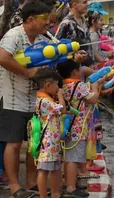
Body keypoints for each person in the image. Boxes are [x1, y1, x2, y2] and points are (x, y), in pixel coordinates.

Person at [0, 0, 51, 198]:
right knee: (13, 143)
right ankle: (14, 186)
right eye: (44, 19)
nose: (48, 23)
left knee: (33, 143)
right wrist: (27, 73)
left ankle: (31, 182)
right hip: (12, 98)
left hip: (34, 99)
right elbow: (3, 58)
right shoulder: (14, 35)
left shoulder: (42, 39)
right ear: (30, 19)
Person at [56, 59, 103, 197]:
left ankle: (71, 183)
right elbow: (93, 99)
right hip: (78, 127)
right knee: (73, 158)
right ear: (74, 72)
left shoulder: (63, 85)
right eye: (80, 69)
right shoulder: (79, 85)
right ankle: (71, 187)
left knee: (70, 157)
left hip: (67, 125)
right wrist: (94, 86)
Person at [32, 68, 66, 198]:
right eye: (56, 84)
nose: (58, 87)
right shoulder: (45, 101)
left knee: (56, 168)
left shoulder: (44, 99)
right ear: (47, 85)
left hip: (53, 141)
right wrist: (61, 96)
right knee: (44, 170)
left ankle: (56, 193)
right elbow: (61, 110)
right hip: (48, 143)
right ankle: (43, 196)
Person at [55, 0, 92, 65]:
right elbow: (56, 48)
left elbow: (89, 46)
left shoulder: (85, 22)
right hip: (72, 70)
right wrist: (73, 55)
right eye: (84, 2)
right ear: (75, 5)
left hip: (88, 69)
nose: (87, 4)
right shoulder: (66, 24)